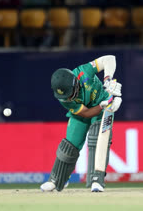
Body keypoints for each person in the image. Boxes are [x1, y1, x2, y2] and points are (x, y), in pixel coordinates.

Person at [40, 55, 122, 192]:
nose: (69, 98)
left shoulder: (84, 71)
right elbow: (85, 113)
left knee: (97, 138)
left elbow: (110, 59)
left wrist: (108, 80)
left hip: (104, 110)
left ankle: (97, 179)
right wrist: (103, 105)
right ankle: (57, 180)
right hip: (93, 109)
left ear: (75, 82)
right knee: (69, 145)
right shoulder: (64, 99)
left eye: (70, 93)